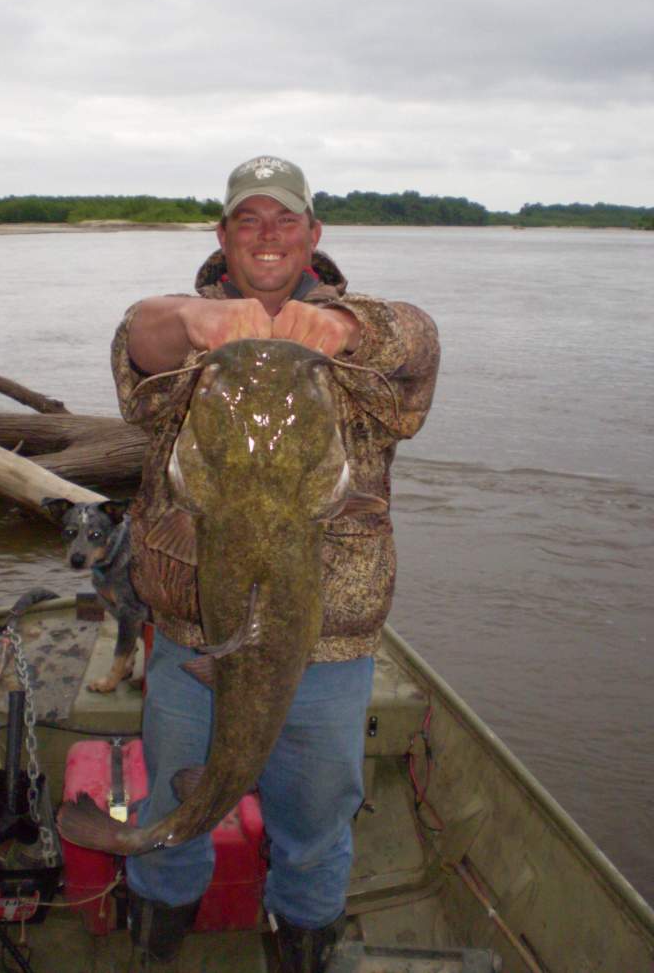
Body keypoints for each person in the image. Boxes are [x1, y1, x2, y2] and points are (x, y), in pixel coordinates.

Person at [110, 155, 440, 971]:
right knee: (172, 805)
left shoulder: (360, 335)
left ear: (314, 234)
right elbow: (137, 339)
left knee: (317, 823)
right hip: (196, 636)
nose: (267, 235)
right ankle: (158, 933)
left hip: (331, 649)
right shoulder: (189, 333)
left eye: (285, 219)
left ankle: (302, 942)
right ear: (222, 236)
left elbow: (419, 342)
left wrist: (346, 331)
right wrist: (189, 323)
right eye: (248, 220)